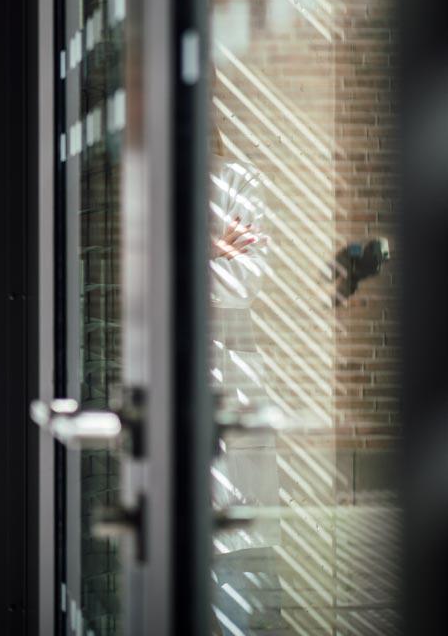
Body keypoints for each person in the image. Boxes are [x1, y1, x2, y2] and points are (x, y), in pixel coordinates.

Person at [207, 124, 287, 634]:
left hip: (228, 377)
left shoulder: (237, 181)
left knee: (239, 569)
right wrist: (209, 253)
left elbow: (242, 285)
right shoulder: (125, 183)